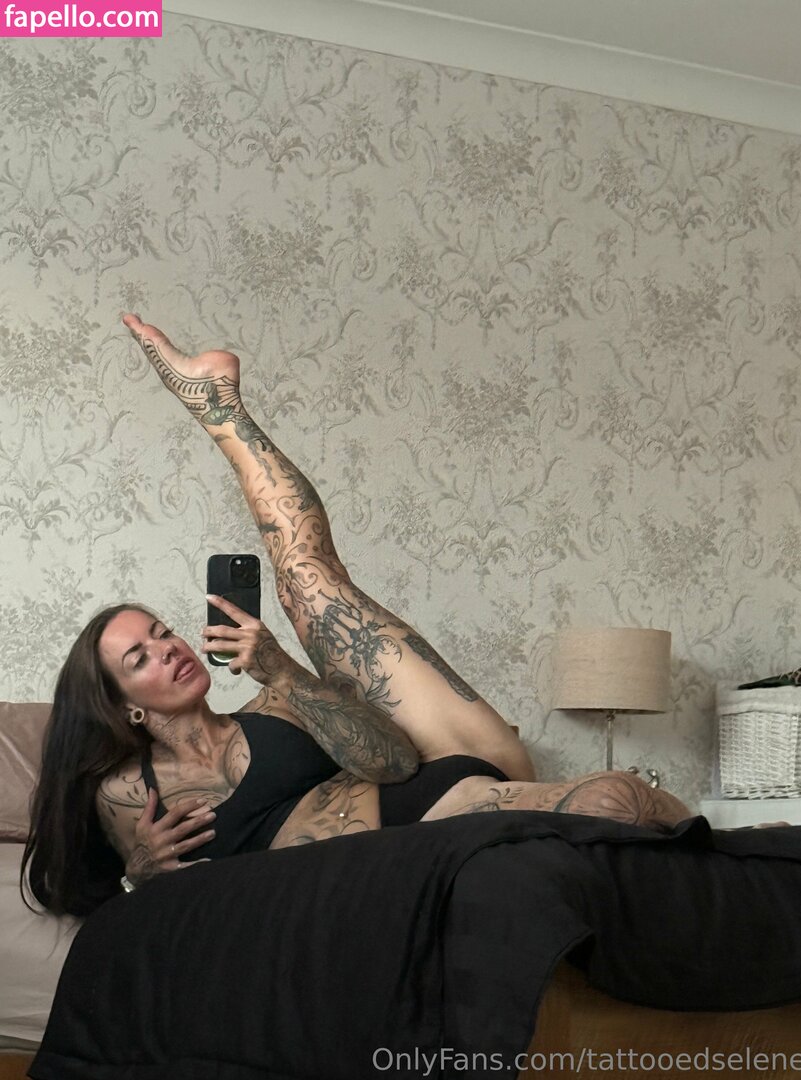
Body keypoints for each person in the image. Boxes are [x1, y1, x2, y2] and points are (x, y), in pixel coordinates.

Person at [22, 316, 691, 917]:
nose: (168, 648)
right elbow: (91, 893)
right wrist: (136, 876)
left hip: (446, 774)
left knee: (307, 579)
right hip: (426, 835)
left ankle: (219, 408)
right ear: (124, 705)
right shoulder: (127, 792)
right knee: (616, 800)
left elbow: (395, 762)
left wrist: (282, 670)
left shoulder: (275, 703)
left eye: (163, 632)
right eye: (139, 657)